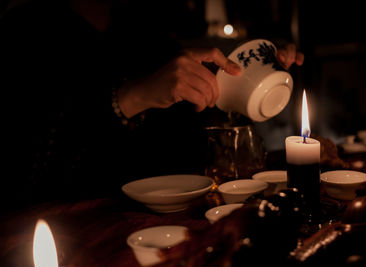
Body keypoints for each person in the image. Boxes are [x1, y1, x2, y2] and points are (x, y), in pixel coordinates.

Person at [1, 0, 303, 211]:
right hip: (71, 226)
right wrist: (130, 98)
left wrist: (256, 75)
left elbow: (194, 127)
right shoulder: (25, 30)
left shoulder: (143, 30)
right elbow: (25, 169)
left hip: (170, 215)